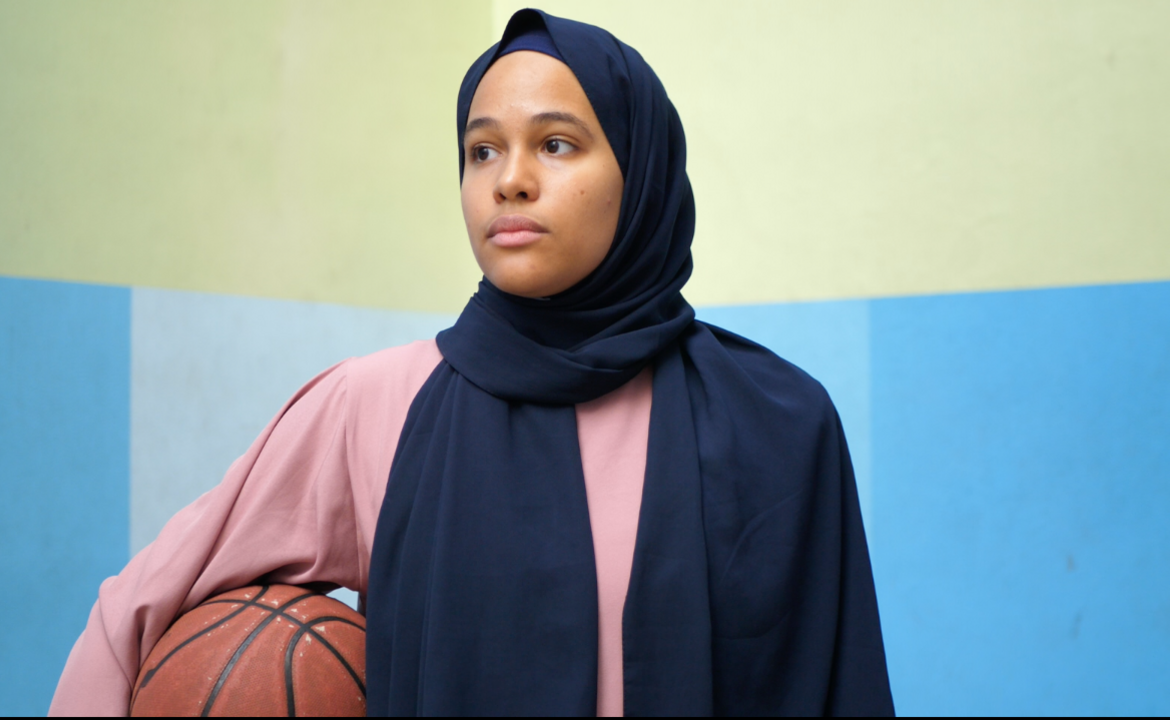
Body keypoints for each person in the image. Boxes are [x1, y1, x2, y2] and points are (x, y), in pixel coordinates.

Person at [50, 9, 893, 716]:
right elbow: (131, 615)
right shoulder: (375, 406)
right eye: (481, 151)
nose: (509, 182)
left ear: (639, 173)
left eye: (557, 145)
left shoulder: (780, 423)